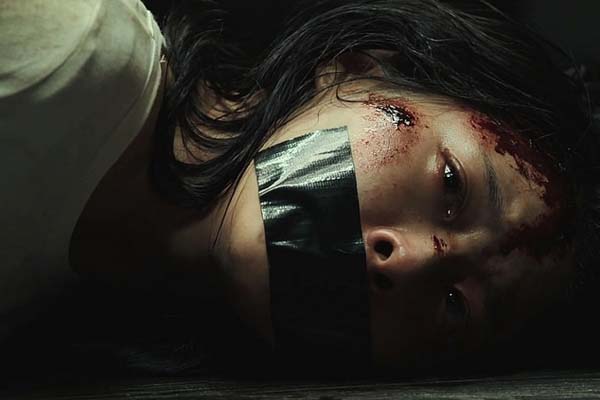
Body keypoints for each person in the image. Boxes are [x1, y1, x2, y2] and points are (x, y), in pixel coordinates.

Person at [1, 0, 598, 375]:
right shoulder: (66, 50)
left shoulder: (70, 305)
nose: (403, 260)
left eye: (456, 304)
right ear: (359, 67)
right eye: (451, 183)